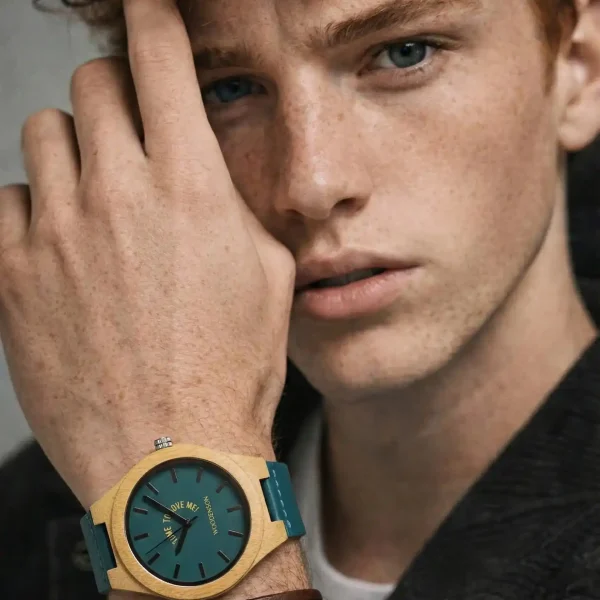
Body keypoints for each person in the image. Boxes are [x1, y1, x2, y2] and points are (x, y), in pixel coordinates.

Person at [0, 0, 599, 598]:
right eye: (230, 89)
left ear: (582, 64)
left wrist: (183, 458)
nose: (310, 184)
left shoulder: (136, 475)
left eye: (403, 55)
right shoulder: (46, 513)